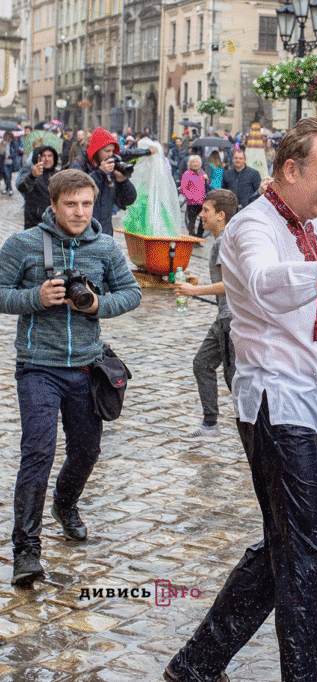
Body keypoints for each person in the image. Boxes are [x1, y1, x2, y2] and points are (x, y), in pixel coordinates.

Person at [163, 117, 317, 682]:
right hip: (276, 405)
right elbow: (266, 284)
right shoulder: (251, 226)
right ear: (291, 170)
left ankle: (196, 664)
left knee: (285, 546)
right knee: (307, 550)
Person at [0, 169, 142, 587]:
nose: (80, 212)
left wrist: (96, 304)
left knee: (86, 452)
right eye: (71, 204)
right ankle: (27, 550)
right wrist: (36, 297)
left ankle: (65, 504)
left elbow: (131, 292)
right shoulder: (23, 244)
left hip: (85, 367)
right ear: (53, 204)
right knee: (38, 453)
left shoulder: (105, 246)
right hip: (38, 366)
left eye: (86, 204)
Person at [173, 190, 239, 442]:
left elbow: (231, 284)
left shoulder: (224, 241)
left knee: (234, 379)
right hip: (224, 317)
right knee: (202, 364)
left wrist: (194, 291)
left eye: (206, 210)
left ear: (221, 215)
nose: (200, 214)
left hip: (231, 319)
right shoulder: (223, 239)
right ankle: (210, 424)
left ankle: (257, 432)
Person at [68, 127, 137, 236]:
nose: (110, 155)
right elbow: (75, 192)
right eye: (107, 151)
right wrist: (99, 173)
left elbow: (128, 200)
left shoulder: (111, 169)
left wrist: (123, 181)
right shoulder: (80, 164)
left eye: (112, 151)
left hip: (105, 233)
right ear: (97, 150)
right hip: (83, 233)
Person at [17, 145, 60, 230]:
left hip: (55, 221)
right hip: (35, 222)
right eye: (43, 156)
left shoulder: (59, 174)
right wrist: (32, 176)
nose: (47, 159)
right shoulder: (28, 172)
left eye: (50, 156)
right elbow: (22, 187)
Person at [180, 155, 209, 238]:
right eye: (193, 162)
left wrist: (207, 179)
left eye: (197, 162)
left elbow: (208, 184)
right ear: (189, 164)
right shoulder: (187, 174)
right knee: (192, 222)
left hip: (202, 202)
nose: (195, 164)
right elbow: (183, 189)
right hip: (192, 203)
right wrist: (190, 197)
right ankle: (192, 238)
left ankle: (199, 237)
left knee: (203, 221)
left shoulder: (202, 172)